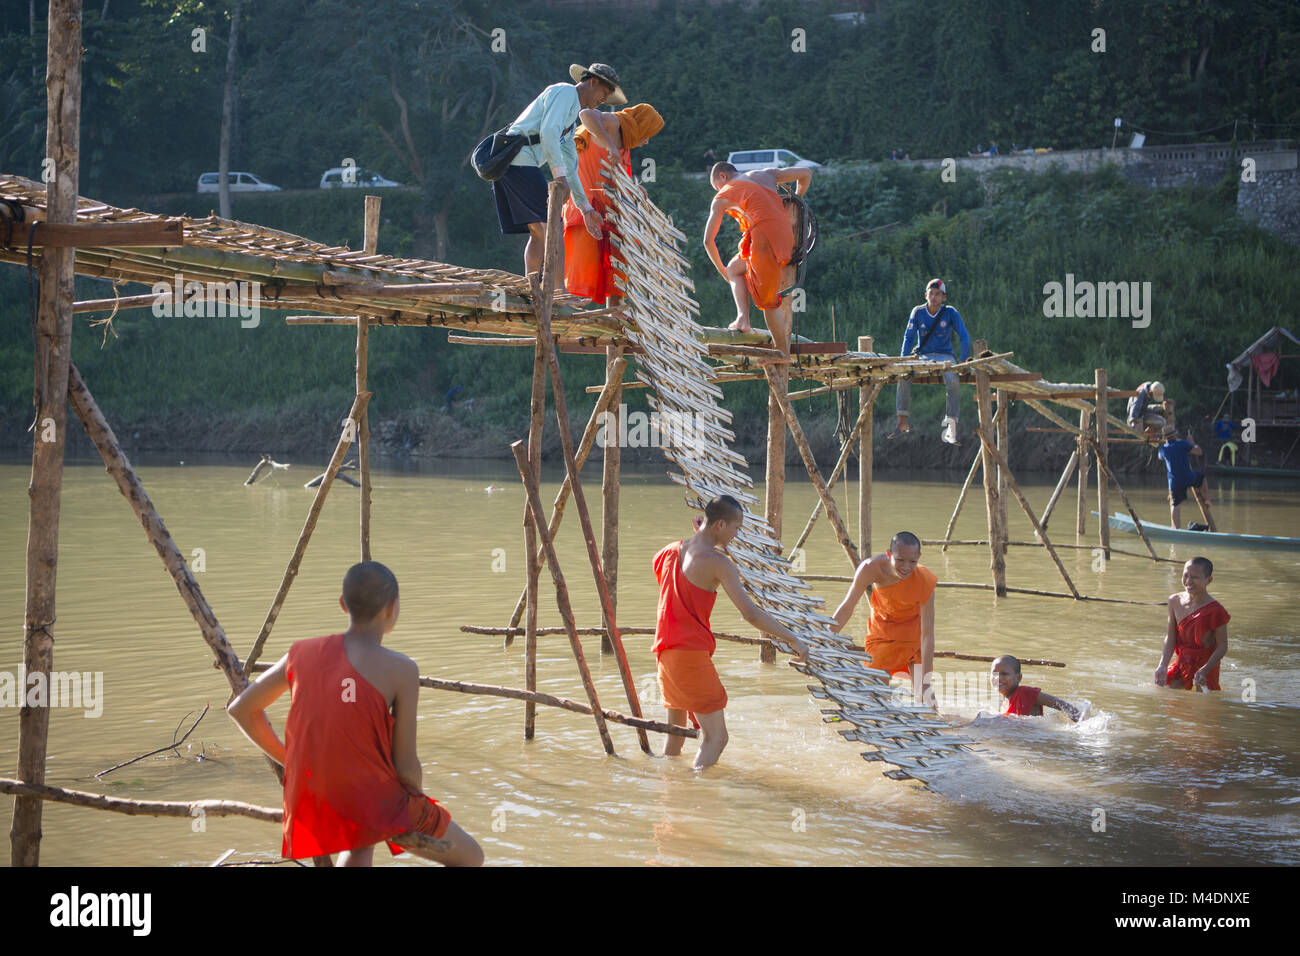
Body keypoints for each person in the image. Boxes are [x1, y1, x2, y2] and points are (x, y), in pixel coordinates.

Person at [227, 562, 483, 867]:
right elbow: (406, 766)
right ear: (393, 608)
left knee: (360, 842)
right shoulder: (402, 669)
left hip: (309, 794)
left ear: (342, 605)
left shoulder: (299, 653)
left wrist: (292, 762)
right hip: (371, 799)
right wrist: (416, 802)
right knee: (470, 857)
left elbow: (241, 709)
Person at [653, 495, 809, 769]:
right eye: (736, 528)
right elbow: (750, 613)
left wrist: (705, 537)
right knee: (717, 737)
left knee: (675, 736)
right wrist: (793, 638)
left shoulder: (669, 551)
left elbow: (673, 579)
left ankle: (669, 791)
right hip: (691, 655)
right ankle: (696, 793)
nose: (737, 535)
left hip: (665, 652)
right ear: (720, 524)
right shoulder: (719, 563)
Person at [493, 63, 626, 277]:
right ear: (593, 82)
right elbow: (548, 133)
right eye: (605, 92)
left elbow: (571, 166)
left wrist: (585, 208)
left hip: (517, 165)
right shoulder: (564, 92)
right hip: (517, 160)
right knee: (553, 223)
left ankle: (532, 287)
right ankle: (558, 292)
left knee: (539, 231)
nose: (603, 100)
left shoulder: (571, 118)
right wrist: (558, 176)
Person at [703, 160, 813, 355]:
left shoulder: (722, 195)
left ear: (722, 176)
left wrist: (720, 271)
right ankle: (743, 319)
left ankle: (782, 354)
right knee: (735, 268)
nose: (718, 191)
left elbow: (707, 241)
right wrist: (798, 198)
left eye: (716, 187)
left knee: (768, 302)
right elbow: (805, 173)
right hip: (786, 235)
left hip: (765, 241)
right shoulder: (766, 174)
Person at [562, 103, 664, 304]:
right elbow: (585, 113)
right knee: (584, 269)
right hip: (587, 208)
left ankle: (615, 321)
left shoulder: (625, 143)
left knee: (615, 273)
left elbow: (614, 179)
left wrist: (635, 189)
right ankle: (570, 322)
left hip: (612, 213)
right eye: (648, 133)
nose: (647, 140)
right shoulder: (613, 123)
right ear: (641, 125)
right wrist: (609, 146)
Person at [830, 531, 937, 706]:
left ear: (919, 557)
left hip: (913, 635)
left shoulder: (925, 580)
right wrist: (825, 637)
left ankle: (937, 727)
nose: (906, 567)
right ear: (889, 554)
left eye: (912, 562)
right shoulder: (870, 568)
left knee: (926, 700)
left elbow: (927, 635)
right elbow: (847, 606)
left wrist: (925, 683)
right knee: (876, 698)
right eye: (900, 560)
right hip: (882, 633)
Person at [891, 278, 972, 444]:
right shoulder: (918, 312)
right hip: (923, 356)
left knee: (952, 380)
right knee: (904, 374)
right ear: (925, 294)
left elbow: (964, 337)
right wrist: (903, 360)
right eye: (931, 293)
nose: (934, 297)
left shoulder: (950, 312)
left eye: (938, 294)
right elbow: (908, 338)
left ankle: (951, 426)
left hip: (945, 356)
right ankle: (902, 421)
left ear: (944, 297)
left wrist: (963, 360)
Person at [1156, 557, 1229, 691]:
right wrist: (1163, 665)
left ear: (1208, 580)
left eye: (1195, 577)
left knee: (1204, 704)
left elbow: (1222, 646)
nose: (1188, 581)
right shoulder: (1174, 601)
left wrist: (1205, 669)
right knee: (1171, 696)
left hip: (1206, 666)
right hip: (1182, 661)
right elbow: (1171, 637)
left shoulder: (1216, 610)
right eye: (1185, 576)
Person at [990, 655, 1081, 720]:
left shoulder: (1024, 693)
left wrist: (1081, 722)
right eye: (995, 674)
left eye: (1005, 674)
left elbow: (1063, 705)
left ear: (1018, 677)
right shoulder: (1002, 704)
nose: (998, 678)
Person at [1157, 426, 1211, 528]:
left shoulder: (1163, 449)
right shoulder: (1183, 443)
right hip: (1188, 478)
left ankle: (1176, 529)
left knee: (1175, 506)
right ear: (1175, 435)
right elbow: (1199, 451)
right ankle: (1207, 498)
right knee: (1202, 477)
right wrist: (1191, 442)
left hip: (1175, 483)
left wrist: (1161, 444)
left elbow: (1160, 457)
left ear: (1165, 437)